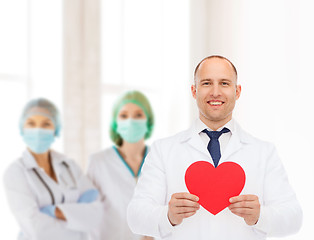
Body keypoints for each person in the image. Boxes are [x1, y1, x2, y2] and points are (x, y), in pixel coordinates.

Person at [127, 55, 303, 239]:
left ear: (238, 91)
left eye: (225, 83)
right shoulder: (163, 150)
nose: (215, 92)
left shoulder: (264, 152)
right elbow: (135, 217)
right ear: (194, 91)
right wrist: (167, 216)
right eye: (206, 83)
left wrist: (261, 216)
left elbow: (293, 218)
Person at [3, 98, 102, 240]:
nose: (38, 130)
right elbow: (36, 230)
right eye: (31, 124)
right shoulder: (15, 172)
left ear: (55, 129)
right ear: (22, 129)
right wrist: (77, 220)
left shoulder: (69, 165)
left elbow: (95, 214)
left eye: (46, 124)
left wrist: (53, 212)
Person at [87, 90, 154, 240]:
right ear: (115, 122)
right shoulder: (99, 163)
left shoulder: (159, 159)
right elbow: (89, 216)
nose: (131, 121)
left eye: (138, 115)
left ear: (148, 121)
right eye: (124, 115)